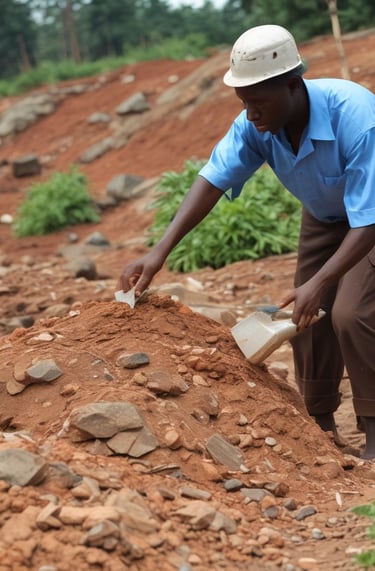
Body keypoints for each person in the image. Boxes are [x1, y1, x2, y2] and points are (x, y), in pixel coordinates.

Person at [119, 24, 375, 460]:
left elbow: (368, 220)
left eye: (259, 102)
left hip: (369, 219)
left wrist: (322, 280)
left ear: (293, 86)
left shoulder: (356, 116)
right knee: (302, 315)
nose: (251, 114)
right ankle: (320, 420)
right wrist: (159, 251)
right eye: (244, 103)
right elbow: (212, 180)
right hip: (324, 213)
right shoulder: (256, 125)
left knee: (350, 313)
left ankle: (373, 429)